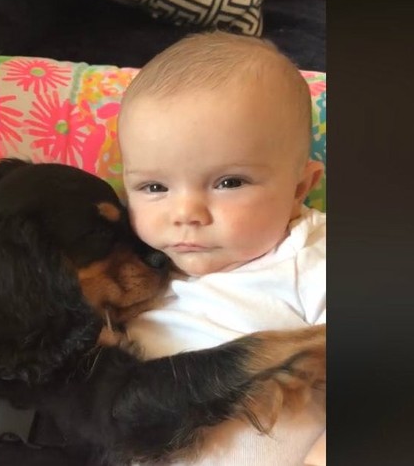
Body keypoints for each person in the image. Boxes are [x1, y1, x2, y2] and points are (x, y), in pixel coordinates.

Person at [117, 30, 327, 466]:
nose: (186, 212)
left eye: (229, 182)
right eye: (154, 186)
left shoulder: (308, 254)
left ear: (300, 188)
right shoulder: (132, 266)